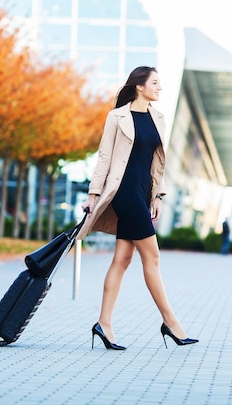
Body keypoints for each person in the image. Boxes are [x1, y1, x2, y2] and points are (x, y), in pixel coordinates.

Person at [77, 66, 198, 351]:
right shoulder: (117, 116)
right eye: (155, 83)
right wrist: (93, 194)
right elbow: (104, 156)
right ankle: (170, 322)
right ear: (139, 86)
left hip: (143, 192)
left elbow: (158, 162)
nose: (160, 87)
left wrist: (157, 196)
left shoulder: (159, 118)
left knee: (122, 259)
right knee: (152, 257)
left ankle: (103, 324)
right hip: (124, 191)